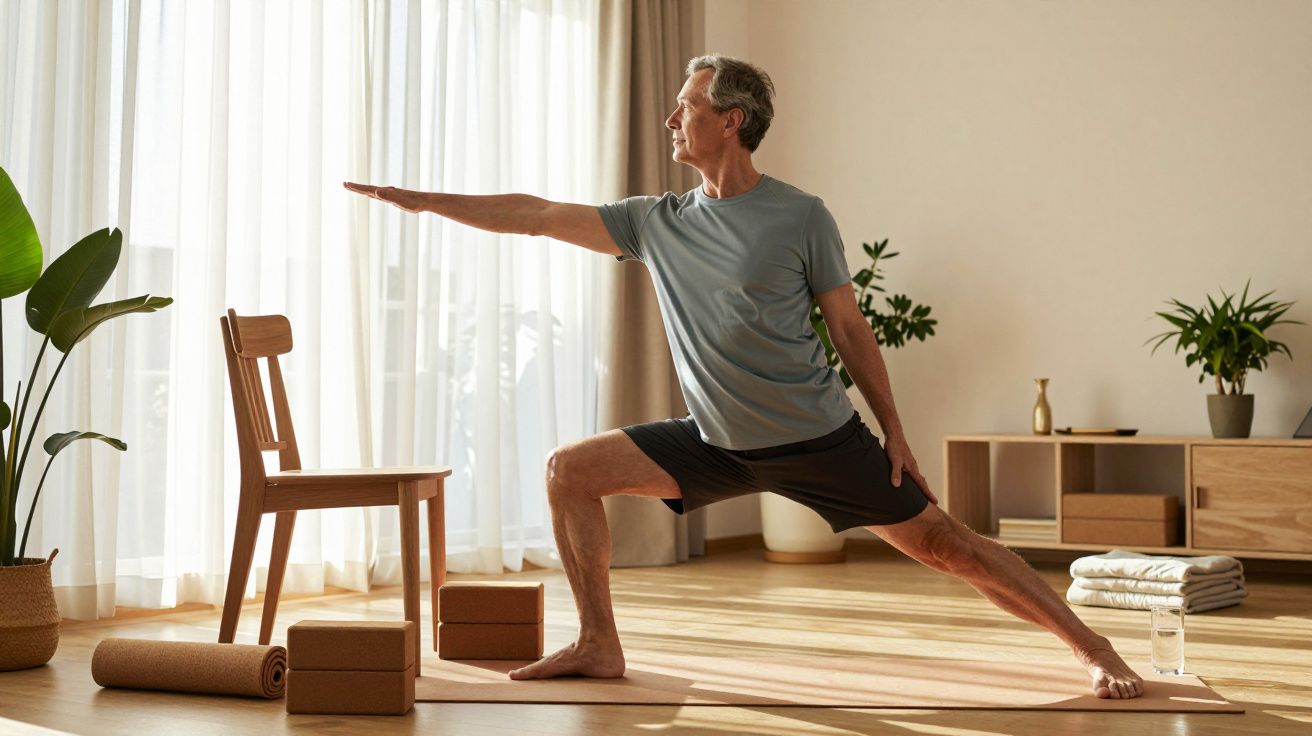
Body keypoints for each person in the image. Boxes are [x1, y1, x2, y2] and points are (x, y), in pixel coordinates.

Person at [344, 54, 1145, 699]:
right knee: (569, 472)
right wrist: (420, 202)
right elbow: (534, 212)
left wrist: (895, 430)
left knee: (946, 545)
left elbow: (850, 329)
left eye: (687, 106)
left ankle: (1093, 647)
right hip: (716, 442)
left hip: (819, 439)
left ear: (731, 120)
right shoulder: (655, 222)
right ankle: (598, 642)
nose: (671, 120)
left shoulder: (801, 216)